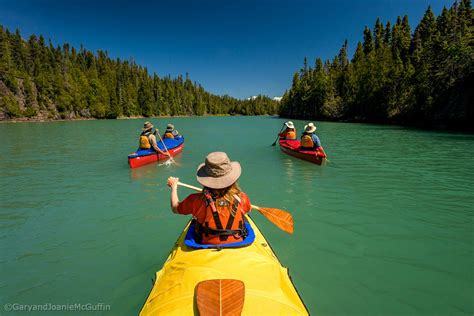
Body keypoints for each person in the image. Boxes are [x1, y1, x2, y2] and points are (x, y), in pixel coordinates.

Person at [167, 152, 252, 245]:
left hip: (206, 245)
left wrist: (174, 187)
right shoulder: (242, 197)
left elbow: (175, 208)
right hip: (238, 244)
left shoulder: (196, 199)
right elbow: (247, 210)